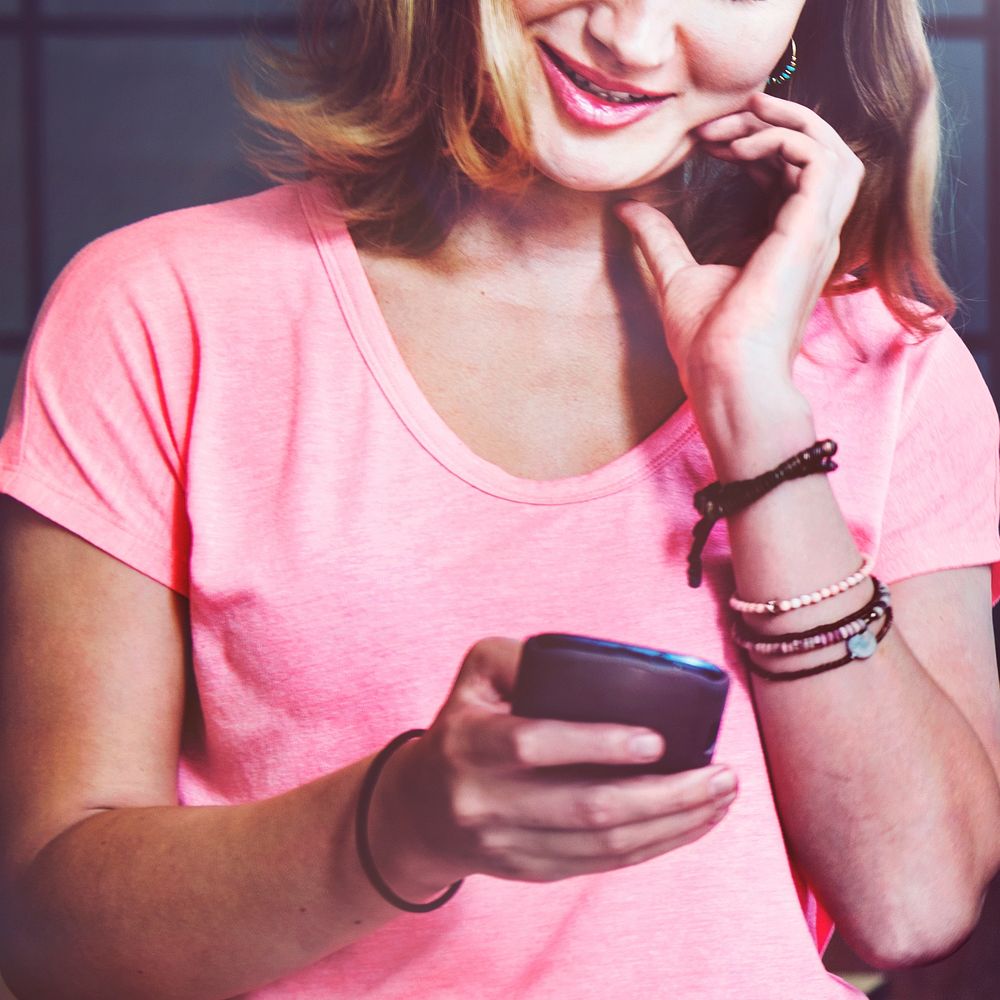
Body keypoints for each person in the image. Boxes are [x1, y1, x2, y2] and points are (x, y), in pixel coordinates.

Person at [1, 0, 998, 997]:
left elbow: (917, 903)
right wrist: (398, 824)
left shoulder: (891, 359)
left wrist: (759, 419)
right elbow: (48, 930)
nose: (632, 38)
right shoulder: (157, 310)